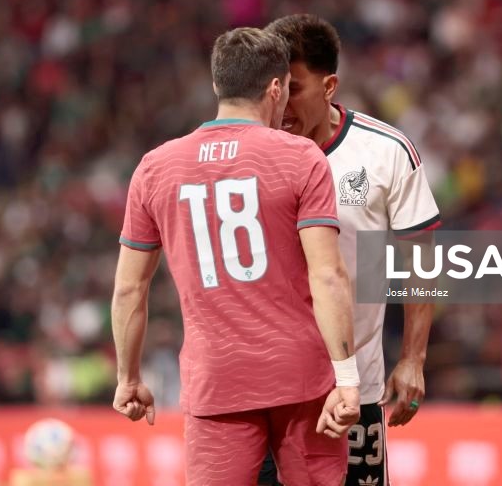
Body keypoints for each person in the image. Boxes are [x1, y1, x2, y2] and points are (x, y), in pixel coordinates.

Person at [111, 27, 361, 486]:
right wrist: (347, 378)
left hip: (216, 381)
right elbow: (329, 276)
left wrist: (128, 377)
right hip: (301, 379)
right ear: (276, 88)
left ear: (216, 87)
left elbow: (130, 286)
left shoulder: (156, 167)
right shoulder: (302, 158)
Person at [262, 14, 442, 486]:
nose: (279, 103)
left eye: (293, 88)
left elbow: (421, 256)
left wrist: (413, 358)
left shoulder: (385, 153)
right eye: (273, 88)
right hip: (265, 388)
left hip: (355, 387)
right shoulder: (251, 153)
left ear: (329, 86)